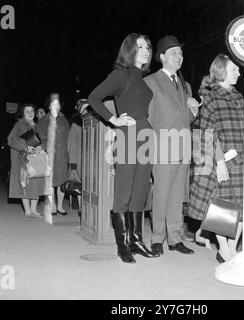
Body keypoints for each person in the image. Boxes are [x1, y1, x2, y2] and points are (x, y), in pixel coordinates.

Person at [188, 54, 244, 263]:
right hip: (223, 161)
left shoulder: (240, 97)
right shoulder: (212, 98)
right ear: (221, 71)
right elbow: (207, 133)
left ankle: (231, 248)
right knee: (223, 208)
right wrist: (219, 162)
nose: (239, 73)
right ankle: (223, 248)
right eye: (234, 69)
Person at [88, 33, 158, 263]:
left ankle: (137, 241)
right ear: (129, 50)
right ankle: (123, 245)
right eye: (140, 47)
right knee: (123, 193)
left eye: (147, 47)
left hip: (146, 136)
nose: (146, 51)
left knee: (140, 191)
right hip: (128, 135)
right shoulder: (121, 74)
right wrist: (113, 119)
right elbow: (94, 98)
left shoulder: (142, 78)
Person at [144, 35, 200, 256]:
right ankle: (157, 238)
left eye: (181, 53)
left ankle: (175, 238)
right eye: (174, 53)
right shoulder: (150, 82)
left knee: (178, 196)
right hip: (162, 148)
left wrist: (194, 110)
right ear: (162, 57)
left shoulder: (185, 85)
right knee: (161, 195)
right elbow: (146, 118)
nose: (180, 57)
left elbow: (187, 118)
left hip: (183, 148)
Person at [7, 103, 51, 220]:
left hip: (36, 159)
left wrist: (41, 146)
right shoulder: (19, 125)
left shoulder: (37, 126)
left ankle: (34, 210)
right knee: (25, 183)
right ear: (23, 113)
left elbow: (45, 140)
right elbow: (11, 140)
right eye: (27, 111)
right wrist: (26, 147)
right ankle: (27, 211)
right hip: (24, 159)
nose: (30, 113)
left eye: (32, 111)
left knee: (36, 182)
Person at [37, 93, 70, 221]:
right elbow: (40, 137)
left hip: (62, 155)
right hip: (49, 154)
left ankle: (60, 206)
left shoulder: (64, 120)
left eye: (57, 104)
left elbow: (68, 138)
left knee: (61, 181)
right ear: (49, 106)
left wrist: (68, 153)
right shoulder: (43, 120)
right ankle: (53, 206)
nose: (55, 106)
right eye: (52, 104)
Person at [67, 106, 83, 218]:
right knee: (79, 184)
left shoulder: (93, 122)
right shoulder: (76, 124)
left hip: (90, 160)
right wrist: (73, 162)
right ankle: (81, 208)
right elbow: (72, 144)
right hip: (78, 159)